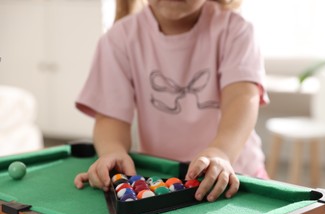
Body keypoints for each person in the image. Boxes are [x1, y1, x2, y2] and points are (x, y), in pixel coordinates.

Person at [74, 0, 269, 202]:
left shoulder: (235, 29)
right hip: (163, 182)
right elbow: (110, 116)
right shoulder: (119, 39)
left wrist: (221, 152)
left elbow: (242, 97)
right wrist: (112, 150)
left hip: (236, 175)